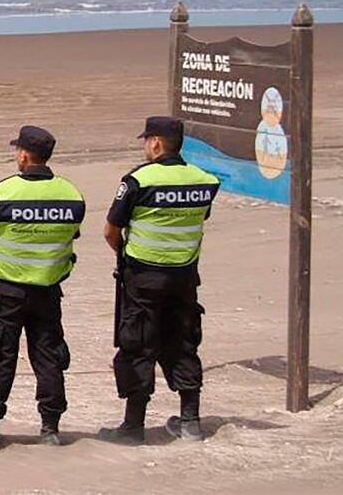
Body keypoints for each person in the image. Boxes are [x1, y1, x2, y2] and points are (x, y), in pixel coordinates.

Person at [0, 126, 85, 450]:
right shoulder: (72, 195)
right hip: (48, 290)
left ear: (24, 155)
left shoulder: (5, 191)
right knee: (48, 356)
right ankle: (51, 428)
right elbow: (70, 235)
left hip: (7, 292)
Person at [100, 116, 219, 445]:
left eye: (146, 140)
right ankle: (191, 421)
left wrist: (125, 254)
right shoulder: (204, 181)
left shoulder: (138, 179)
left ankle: (133, 426)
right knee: (183, 342)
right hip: (184, 276)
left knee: (139, 344)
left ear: (155, 143)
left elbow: (111, 230)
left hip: (143, 277)